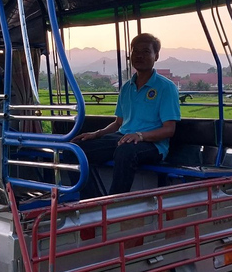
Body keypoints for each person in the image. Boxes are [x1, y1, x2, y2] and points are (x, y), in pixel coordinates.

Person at [71, 33, 180, 198]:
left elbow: (169, 130)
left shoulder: (166, 88)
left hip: (152, 145)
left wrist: (140, 136)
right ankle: (92, 200)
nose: (139, 56)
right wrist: (96, 134)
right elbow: (118, 123)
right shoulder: (127, 87)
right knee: (75, 150)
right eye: (135, 51)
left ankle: (114, 203)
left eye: (145, 51)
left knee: (125, 152)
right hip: (123, 137)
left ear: (156, 56)